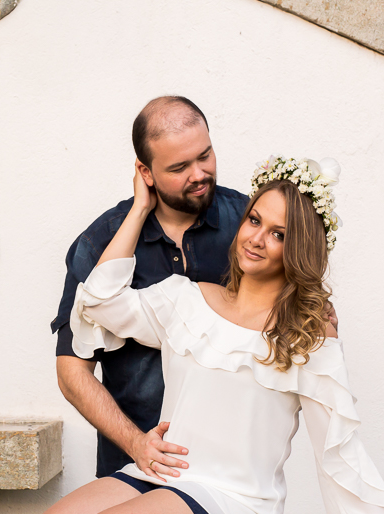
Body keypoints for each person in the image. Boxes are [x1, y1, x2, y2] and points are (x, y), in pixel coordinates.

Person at [24, 157, 384, 514]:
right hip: (162, 474)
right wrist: (141, 208)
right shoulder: (186, 300)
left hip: (234, 494)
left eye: (279, 234)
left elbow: (336, 441)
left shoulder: (306, 334)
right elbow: (100, 302)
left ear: (298, 250)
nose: (257, 238)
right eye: (254, 220)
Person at [51, 96, 262, 485]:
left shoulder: (250, 226)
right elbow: (71, 372)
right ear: (145, 172)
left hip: (230, 471)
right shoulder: (100, 242)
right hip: (133, 466)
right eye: (179, 168)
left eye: (205, 156)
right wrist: (137, 444)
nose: (199, 174)